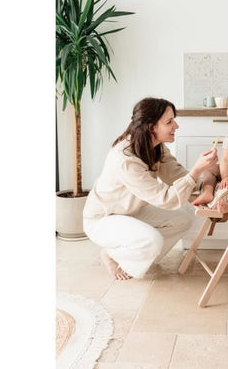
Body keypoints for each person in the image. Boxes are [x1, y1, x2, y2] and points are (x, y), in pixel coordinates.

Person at [83, 97, 218, 280]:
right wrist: (196, 171)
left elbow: (176, 174)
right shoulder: (125, 160)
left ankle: (136, 257)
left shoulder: (156, 147)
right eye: (169, 122)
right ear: (151, 127)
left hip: (131, 212)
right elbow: (166, 199)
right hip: (103, 219)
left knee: (183, 220)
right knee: (153, 240)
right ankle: (111, 254)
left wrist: (209, 185)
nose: (176, 126)